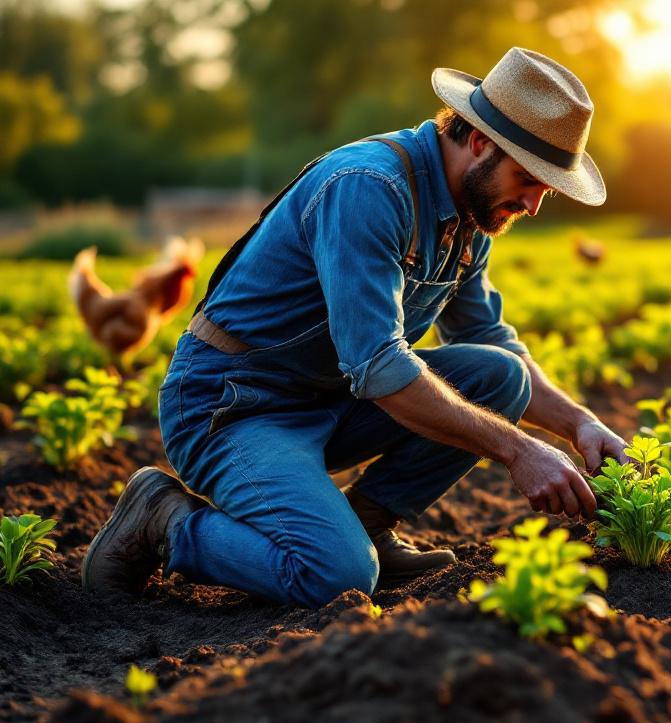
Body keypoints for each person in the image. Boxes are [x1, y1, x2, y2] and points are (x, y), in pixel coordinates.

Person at [82, 48, 627, 608]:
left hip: (326, 398)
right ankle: (163, 521)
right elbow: (380, 366)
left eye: (546, 189)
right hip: (233, 405)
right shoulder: (370, 188)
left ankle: (364, 525)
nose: (534, 204)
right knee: (336, 577)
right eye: (528, 180)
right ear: (481, 142)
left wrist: (578, 424)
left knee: (500, 376)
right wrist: (518, 450)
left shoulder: (472, 215)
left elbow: (489, 340)